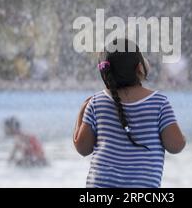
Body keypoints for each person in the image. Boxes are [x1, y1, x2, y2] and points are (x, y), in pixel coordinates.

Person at [73, 39, 186, 188]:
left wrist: (82, 112)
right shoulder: (159, 103)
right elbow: (176, 146)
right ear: (140, 68)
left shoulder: (96, 102)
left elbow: (82, 148)